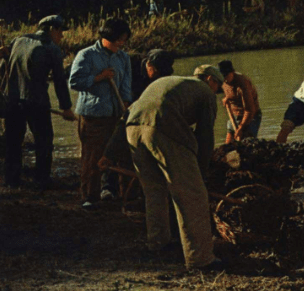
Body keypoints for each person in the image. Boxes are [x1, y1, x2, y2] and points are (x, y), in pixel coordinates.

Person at [123, 65, 223, 270]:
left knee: (154, 190)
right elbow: (205, 136)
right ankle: (200, 258)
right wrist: (201, 174)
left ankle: (158, 243)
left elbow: (129, 113)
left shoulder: (172, 83)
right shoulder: (205, 93)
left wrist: (108, 154)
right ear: (211, 80)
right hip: (160, 125)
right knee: (191, 195)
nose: (217, 91)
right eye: (218, 87)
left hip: (132, 129)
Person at [2, 15, 75, 189]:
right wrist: (66, 108)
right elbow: (59, 82)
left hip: (12, 100)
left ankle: (11, 179)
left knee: (13, 141)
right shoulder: (52, 49)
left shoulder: (19, 40)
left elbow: (7, 62)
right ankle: (41, 179)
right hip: (37, 102)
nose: (62, 36)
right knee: (44, 141)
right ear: (52, 30)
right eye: (60, 32)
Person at [69, 18, 133, 208]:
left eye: (124, 40)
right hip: (94, 115)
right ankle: (90, 196)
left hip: (117, 114)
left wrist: (127, 104)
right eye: (119, 40)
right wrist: (99, 78)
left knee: (120, 154)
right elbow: (74, 82)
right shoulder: (86, 55)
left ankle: (119, 192)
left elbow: (126, 85)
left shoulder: (123, 58)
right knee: (93, 157)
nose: (121, 44)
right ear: (108, 37)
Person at [100, 49, 175, 177]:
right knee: (115, 138)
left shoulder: (161, 74)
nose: (158, 75)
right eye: (156, 71)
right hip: (117, 102)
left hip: (140, 103)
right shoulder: (129, 63)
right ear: (149, 64)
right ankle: (108, 184)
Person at [218, 60, 262, 144]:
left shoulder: (242, 85)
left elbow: (250, 110)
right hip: (234, 116)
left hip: (251, 117)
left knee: (247, 145)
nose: (225, 80)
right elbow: (229, 91)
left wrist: (240, 128)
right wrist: (227, 98)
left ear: (232, 72)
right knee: (227, 146)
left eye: (226, 76)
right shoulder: (223, 81)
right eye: (222, 77)